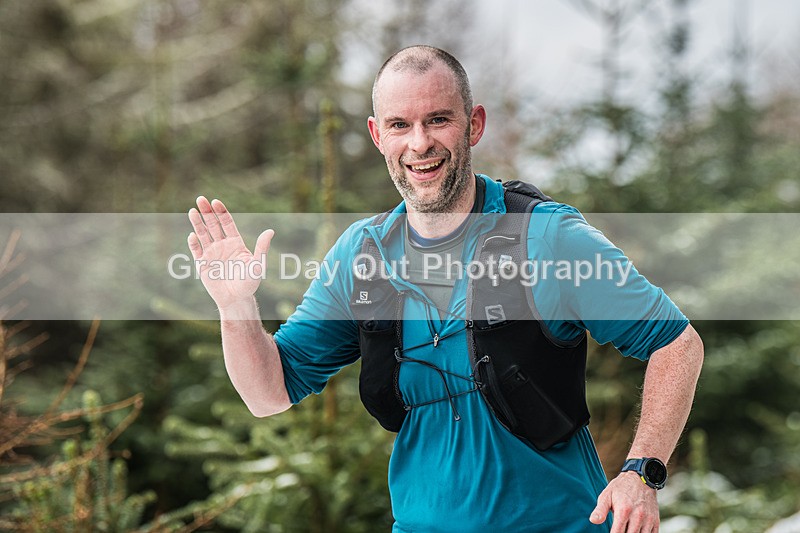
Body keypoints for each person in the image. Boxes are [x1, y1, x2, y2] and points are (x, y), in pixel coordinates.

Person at [187, 45, 704, 532]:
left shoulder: (548, 238)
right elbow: (268, 393)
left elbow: (676, 343)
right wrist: (236, 306)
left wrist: (642, 471)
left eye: (438, 119)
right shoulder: (360, 256)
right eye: (399, 125)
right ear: (376, 135)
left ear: (473, 124)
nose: (419, 143)